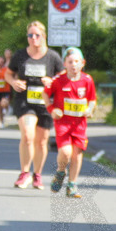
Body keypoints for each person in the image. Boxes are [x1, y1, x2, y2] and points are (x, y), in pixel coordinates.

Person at [5, 21, 63, 189]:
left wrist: (52, 81)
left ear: (44, 36)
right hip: (25, 101)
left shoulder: (53, 57)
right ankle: (24, 173)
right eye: (30, 35)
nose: (33, 38)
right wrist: (14, 82)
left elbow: (63, 80)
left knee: (42, 140)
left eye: (37, 35)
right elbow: (8, 74)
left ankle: (37, 174)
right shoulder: (20, 55)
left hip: (45, 103)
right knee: (28, 135)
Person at [46, 47, 96, 198]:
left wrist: (90, 109)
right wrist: (51, 109)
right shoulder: (58, 80)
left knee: (77, 154)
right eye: (70, 62)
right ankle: (61, 171)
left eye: (76, 61)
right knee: (66, 152)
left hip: (79, 124)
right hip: (63, 123)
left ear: (82, 63)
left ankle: (72, 184)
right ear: (64, 64)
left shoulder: (87, 80)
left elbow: (92, 99)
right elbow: (45, 94)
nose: (73, 65)